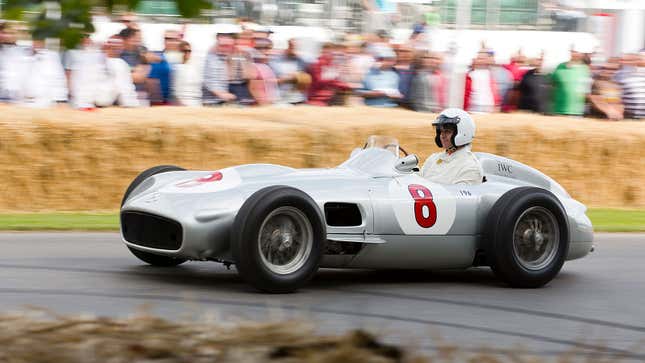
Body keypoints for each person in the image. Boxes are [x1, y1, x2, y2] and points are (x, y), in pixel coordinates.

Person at [420, 108, 483, 185]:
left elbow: (456, 196)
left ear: (463, 133)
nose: (442, 136)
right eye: (441, 131)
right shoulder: (433, 159)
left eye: (447, 131)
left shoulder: (470, 167)